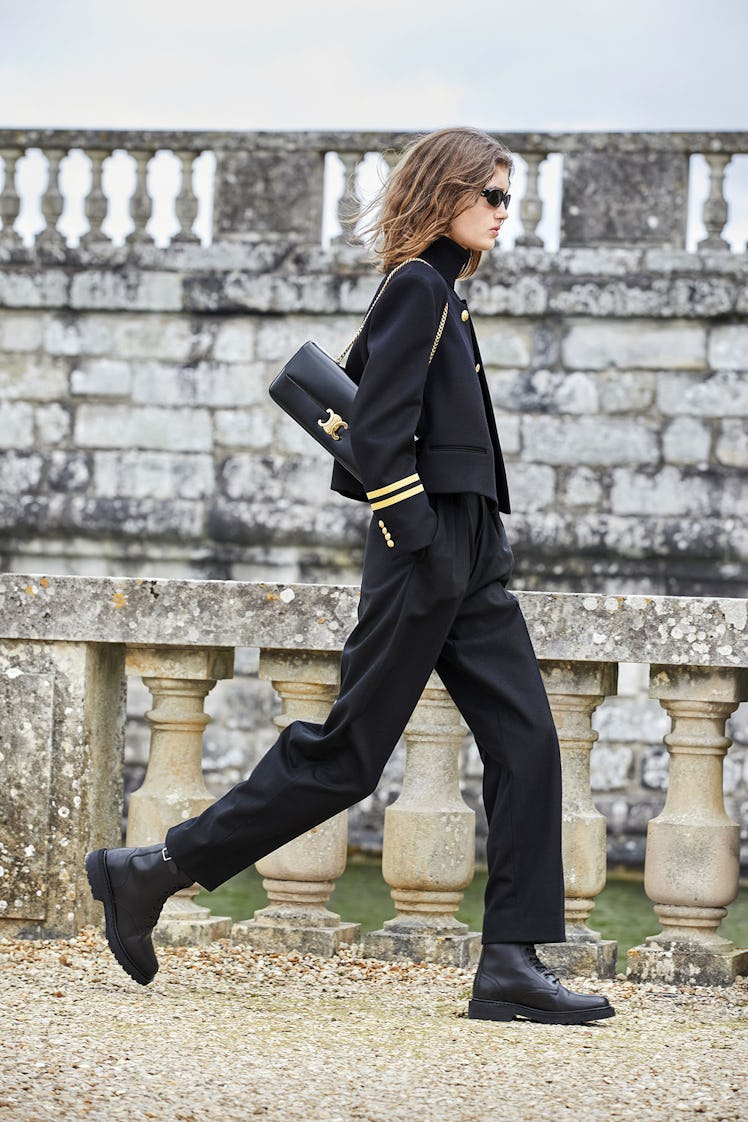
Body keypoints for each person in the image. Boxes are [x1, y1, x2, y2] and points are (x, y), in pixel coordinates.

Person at [86, 127, 614, 1026]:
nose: (502, 213)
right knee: (346, 758)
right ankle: (152, 872)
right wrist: (420, 535)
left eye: (507, 199)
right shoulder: (417, 287)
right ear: (444, 192)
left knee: (528, 742)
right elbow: (374, 432)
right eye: (489, 195)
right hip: (427, 551)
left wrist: (468, 545)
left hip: (471, 553)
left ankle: (511, 966)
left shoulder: (443, 291)